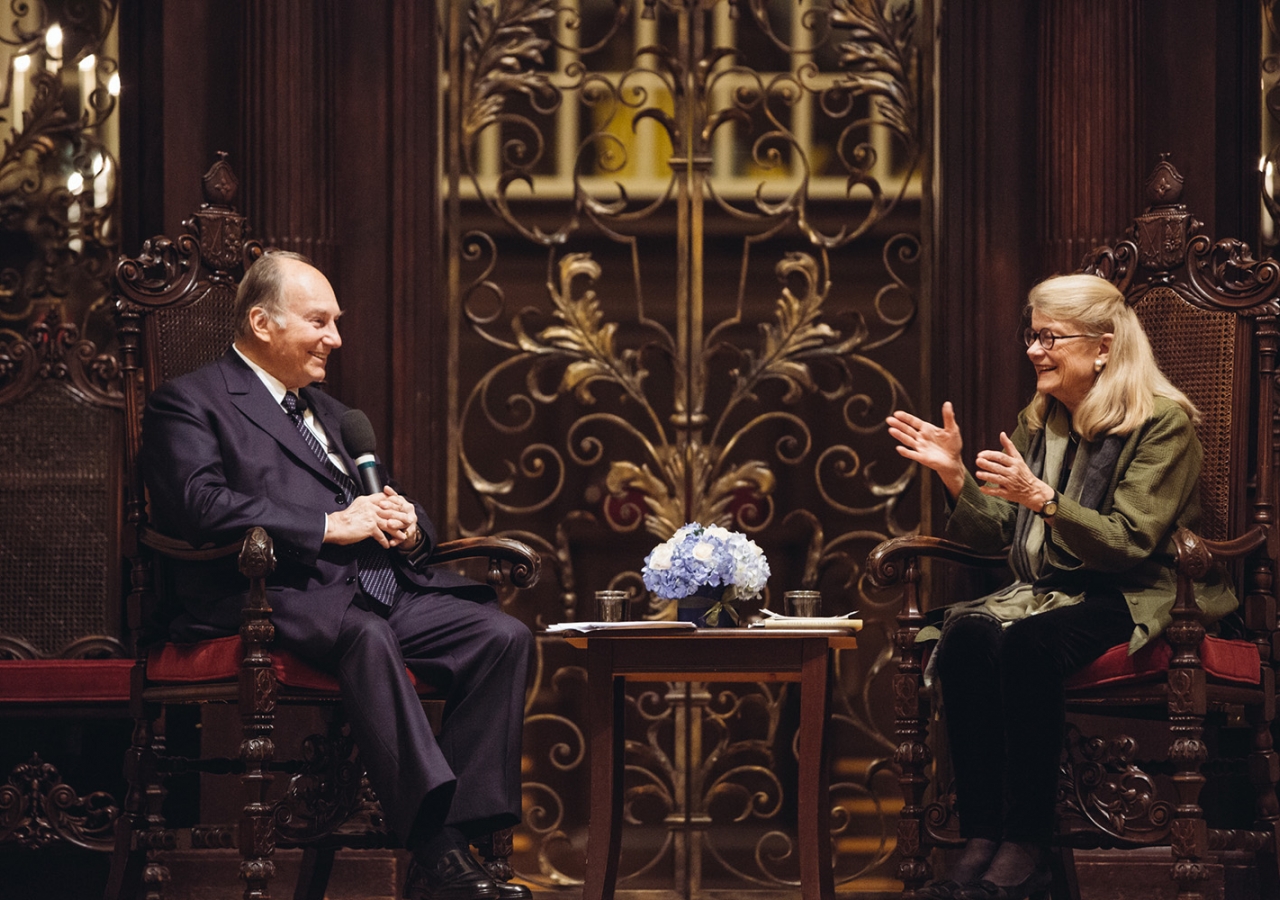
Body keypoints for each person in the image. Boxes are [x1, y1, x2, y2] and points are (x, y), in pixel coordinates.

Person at [142, 250, 533, 900]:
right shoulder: (189, 402)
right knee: (367, 637)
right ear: (263, 323)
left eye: (336, 322)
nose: (336, 338)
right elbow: (199, 508)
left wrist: (410, 527)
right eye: (319, 321)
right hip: (268, 591)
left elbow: (377, 501)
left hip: (373, 585)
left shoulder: (329, 413)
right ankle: (440, 851)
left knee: (500, 637)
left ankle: (455, 854)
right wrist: (327, 525)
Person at [885, 273, 1236, 900]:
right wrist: (956, 477)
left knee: (1029, 645)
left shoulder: (1163, 424)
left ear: (1103, 347)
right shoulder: (1041, 417)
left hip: (1135, 591)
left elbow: (1128, 540)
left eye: (1050, 337)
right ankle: (981, 841)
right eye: (1033, 334)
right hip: (1052, 588)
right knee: (965, 635)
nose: (1033, 350)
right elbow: (1001, 534)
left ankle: (1028, 849)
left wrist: (1044, 500)